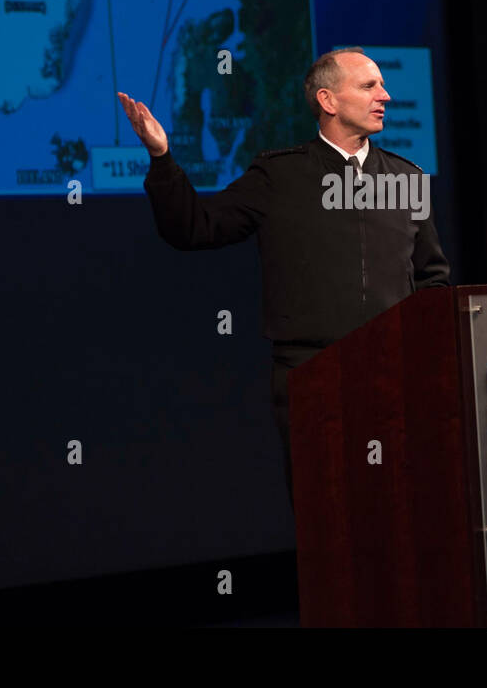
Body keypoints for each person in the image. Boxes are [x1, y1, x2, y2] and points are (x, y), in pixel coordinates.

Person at [116, 47, 451, 507]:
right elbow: (195, 228)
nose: (386, 96)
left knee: (399, 513)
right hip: (312, 379)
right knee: (328, 517)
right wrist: (162, 158)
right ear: (328, 100)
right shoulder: (280, 175)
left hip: (393, 381)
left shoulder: (407, 177)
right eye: (370, 85)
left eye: (383, 85)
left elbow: (433, 281)